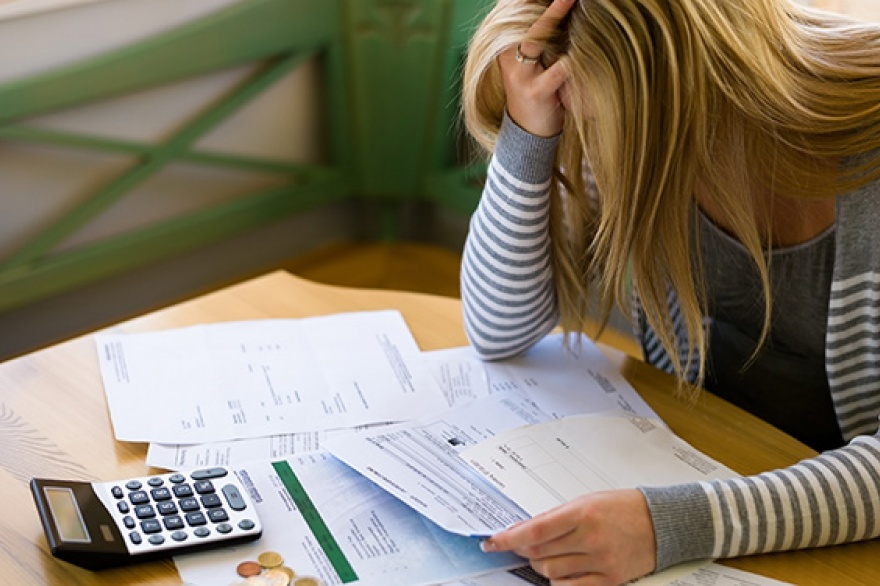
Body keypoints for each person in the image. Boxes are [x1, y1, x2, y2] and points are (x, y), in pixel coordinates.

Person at [459, 0, 880, 583]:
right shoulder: (621, 118)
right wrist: (529, 133)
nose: (586, 139)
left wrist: (673, 524)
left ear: (685, 96)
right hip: (718, 459)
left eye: (596, 123)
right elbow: (496, 327)